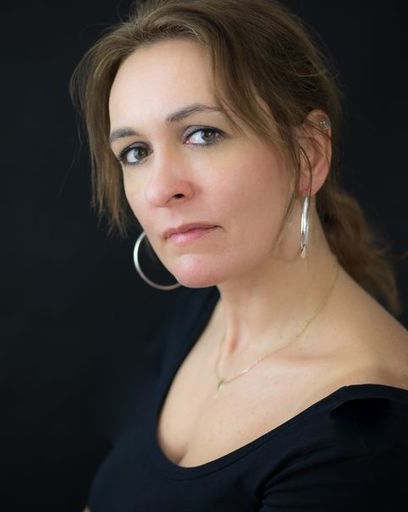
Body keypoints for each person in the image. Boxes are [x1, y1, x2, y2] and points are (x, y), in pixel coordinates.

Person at [70, 0, 408, 509]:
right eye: (136, 152)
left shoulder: (361, 439)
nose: (161, 189)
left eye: (203, 134)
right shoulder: (204, 310)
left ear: (308, 154)